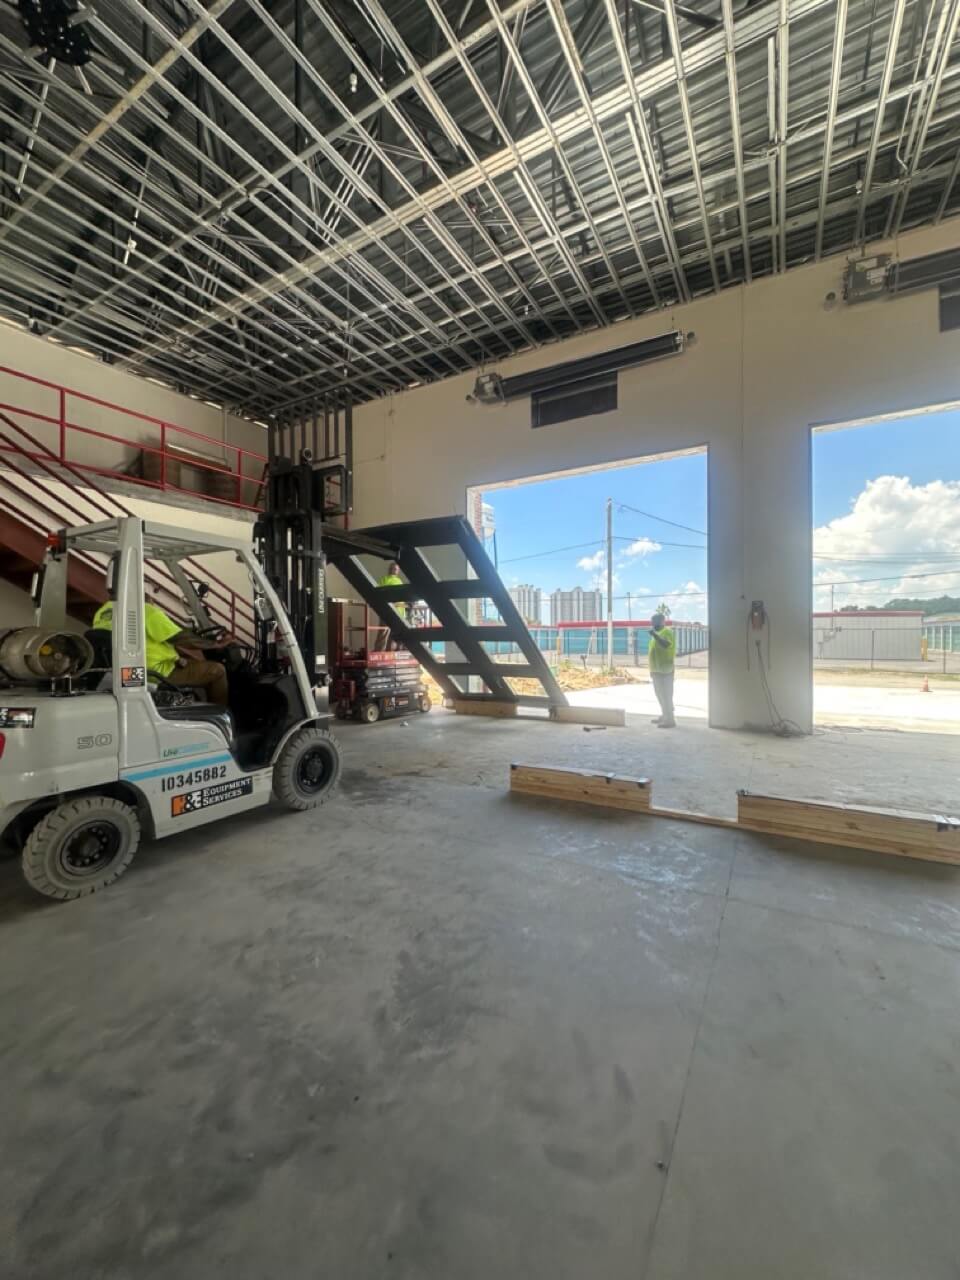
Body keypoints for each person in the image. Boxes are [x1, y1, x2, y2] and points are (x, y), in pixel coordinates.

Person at [93, 590, 230, 707]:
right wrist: (215, 644)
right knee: (217, 671)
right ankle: (221, 716)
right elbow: (182, 638)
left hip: (127, 674)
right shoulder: (145, 611)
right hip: (155, 673)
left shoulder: (102, 611)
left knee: (191, 664)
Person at [648, 611, 677, 728]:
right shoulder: (657, 634)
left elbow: (666, 645)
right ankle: (665, 715)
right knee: (660, 694)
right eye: (652, 622)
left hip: (665, 670)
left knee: (666, 695)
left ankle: (670, 720)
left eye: (655, 621)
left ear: (662, 621)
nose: (653, 624)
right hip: (656, 670)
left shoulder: (667, 632)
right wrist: (651, 670)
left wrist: (654, 635)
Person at [375, 561, 406, 650]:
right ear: (389, 569)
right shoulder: (384, 579)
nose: (394, 570)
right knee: (384, 631)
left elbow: (401, 597)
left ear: (398, 571)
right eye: (392, 568)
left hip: (398, 612)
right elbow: (380, 593)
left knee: (394, 634)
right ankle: (379, 651)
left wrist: (403, 613)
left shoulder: (399, 581)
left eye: (396, 569)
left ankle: (390, 651)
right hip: (387, 611)